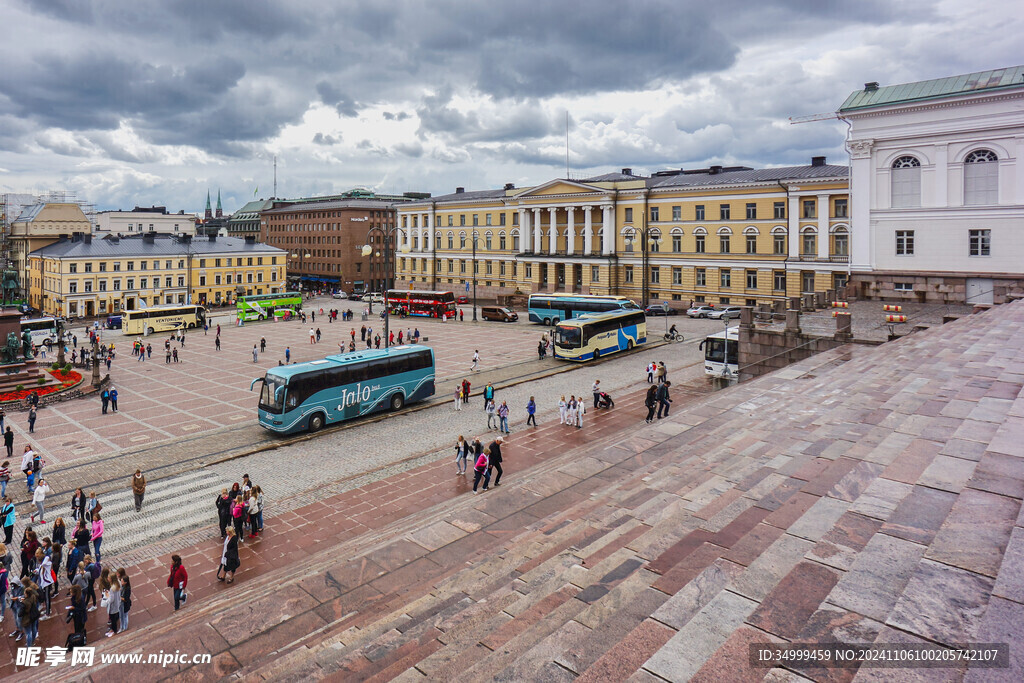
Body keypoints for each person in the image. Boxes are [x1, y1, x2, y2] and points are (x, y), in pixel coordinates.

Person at [117, 568, 131, 632]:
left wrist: (119, 597)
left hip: (125, 604)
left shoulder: (127, 589)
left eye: (122, 581)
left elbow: (126, 598)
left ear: (125, 582)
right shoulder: (123, 587)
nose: (121, 582)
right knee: (122, 616)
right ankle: (123, 627)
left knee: (125, 616)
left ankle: (125, 628)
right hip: (122, 604)